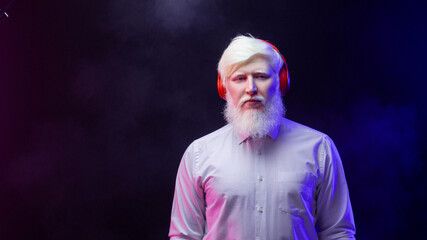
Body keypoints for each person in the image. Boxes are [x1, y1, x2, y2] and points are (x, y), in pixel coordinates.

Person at [169, 35, 356, 240]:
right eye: (240, 78)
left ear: (280, 82)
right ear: (224, 87)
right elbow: (184, 236)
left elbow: (338, 233)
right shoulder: (198, 154)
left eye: (261, 76)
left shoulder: (319, 148)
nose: (251, 89)